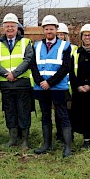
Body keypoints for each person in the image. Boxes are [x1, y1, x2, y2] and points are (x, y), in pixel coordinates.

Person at [31, 15, 73, 158]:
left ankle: (67, 147)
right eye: (47, 28)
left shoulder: (65, 46)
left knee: (62, 115)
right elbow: (33, 66)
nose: (49, 31)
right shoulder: (36, 45)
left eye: (52, 28)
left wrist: (50, 82)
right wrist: (40, 82)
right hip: (41, 87)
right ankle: (46, 144)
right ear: (43, 30)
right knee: (45, 115)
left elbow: (66, 67)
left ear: (56, 29)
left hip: (58, 87)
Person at [0, 13, 34, 150]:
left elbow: (28, 60)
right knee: (9, 111)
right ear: (3, 28)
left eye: (12, 26)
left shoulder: (26, 42)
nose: (10, 28)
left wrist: (15, 73)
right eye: (7, 26)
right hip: (6, 84)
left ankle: (25, 140)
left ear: (17, 27)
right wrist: (6, 74)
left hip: (22, 83)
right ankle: (13, 138)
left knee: (23, 111)